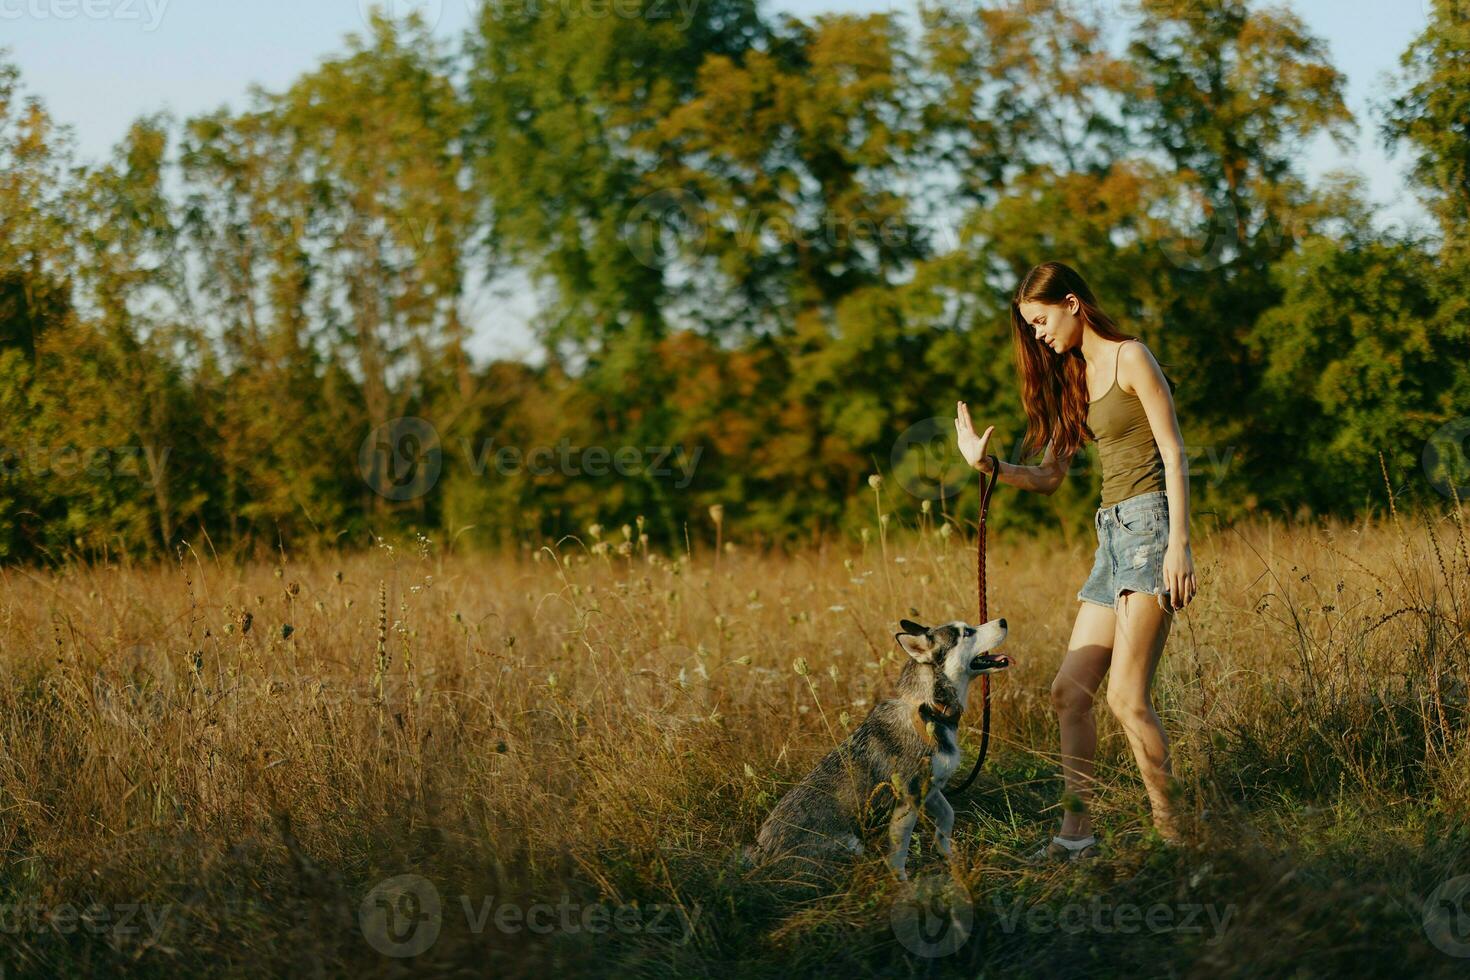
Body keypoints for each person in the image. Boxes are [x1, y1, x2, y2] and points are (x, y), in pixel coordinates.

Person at [953, 260, 1198, 860]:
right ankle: (1076, 837)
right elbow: (1049, 479)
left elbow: (1174, 452)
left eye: (1041, 321)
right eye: (1030, 327)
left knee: (1126, 698)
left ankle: (1177, 842)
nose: (1038, 335)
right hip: (1110, 537)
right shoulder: (1074, 376)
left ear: (1072, 303)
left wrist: (1180, 544)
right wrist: (987, 468)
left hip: (1150, 529)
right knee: (1069, 694)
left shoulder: (1130, 356)